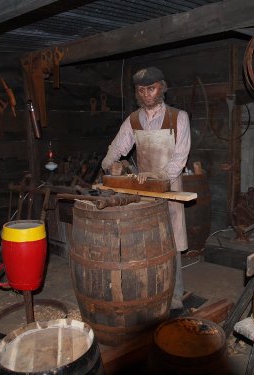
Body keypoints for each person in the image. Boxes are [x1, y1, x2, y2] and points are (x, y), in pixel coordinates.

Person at [101, 67, 191, 310]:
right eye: (141, 90)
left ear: (161, 87)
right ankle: (149, 289)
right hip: (143, 191)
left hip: (170, 189)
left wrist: (159, 175)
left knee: (171, 241)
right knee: (147, 241)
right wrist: (112, 165)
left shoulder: (178, 117)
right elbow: (116, 148)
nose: (146, 94)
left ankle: (174, 295)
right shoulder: (132, 120)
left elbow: (180, 158)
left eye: (151, 88)